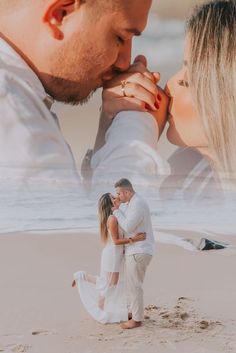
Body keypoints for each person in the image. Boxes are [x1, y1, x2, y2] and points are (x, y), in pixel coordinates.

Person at [88, 0, 236, 196]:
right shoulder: (189, 168)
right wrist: (108, 128)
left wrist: (136, 130)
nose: (169, 85)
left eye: (187, 81)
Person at [0, 0, 156, 183]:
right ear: (60, 15)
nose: (124, 62)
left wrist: (108, 136)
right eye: (120, 38)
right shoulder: (16, 119)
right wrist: (134, 126)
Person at [72, 192, 146, 324]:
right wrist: (135, 239)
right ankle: (82, 276)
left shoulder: (116, 216)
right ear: (110, 203)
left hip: (116, 253)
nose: (117, 197)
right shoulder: (112, 219)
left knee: (111, 283)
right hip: (112, 254)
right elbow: (116, 241)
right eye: (114, 197)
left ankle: (101, 305)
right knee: (111, 283)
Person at [112, 179, 154, 329]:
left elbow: (128, 226)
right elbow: (128, 221)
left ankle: (136, 320)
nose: (117, 196)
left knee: (134, 286)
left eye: (119, 193)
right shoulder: (133, 204)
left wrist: (116, 211)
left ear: (127, 192)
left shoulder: (138, 204)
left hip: (139, 250)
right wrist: (119, 208)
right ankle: (135, 313)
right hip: (138, 249)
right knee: (134, 285)